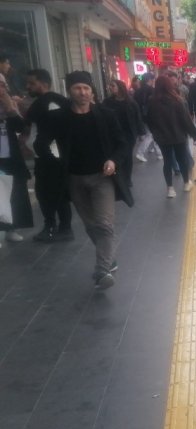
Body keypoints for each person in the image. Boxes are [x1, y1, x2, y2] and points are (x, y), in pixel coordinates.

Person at [35, 71, 133, 289]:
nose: (83, 92)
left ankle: (102, 270)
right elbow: (41, 144)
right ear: (69, 90)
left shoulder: (106, 115)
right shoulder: (58, 118)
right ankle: (108, 257)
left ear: (92, 91)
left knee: (105, 224)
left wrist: (113, 161)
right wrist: (56, 161)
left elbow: (122, 143)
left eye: (86, 88)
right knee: (91, 225)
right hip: (74, 180)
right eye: (78, 88)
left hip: (102, 178)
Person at [24, 68, 73, 242]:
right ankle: (63, 227)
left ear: (43, 84)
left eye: (32, 83)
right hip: (53, 156)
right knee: (57, 192)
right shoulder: (61, 102)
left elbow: (26, 126)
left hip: (48, 157)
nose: (28, 87)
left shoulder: (41, 104)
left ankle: (53, 226)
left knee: (46, 193)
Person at [145, 74, 196, 198]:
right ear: (170, 85)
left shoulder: (152, 101)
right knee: (182, 160)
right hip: (178, 136)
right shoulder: (178, 100)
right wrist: (194, 134)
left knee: (167, 162)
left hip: (162, 138)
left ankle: (170, 189)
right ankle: (186, 183)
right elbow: (186, 120)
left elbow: (149, 120)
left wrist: (155, 133)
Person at [0, 73, 34, 244]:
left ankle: (12, 228)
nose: (2, 89)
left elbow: (21, 128)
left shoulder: (9, 106)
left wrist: (11, 109)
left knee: (14, 192)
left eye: (3, 85)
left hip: (10, 157)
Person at [102, 79, 144, 189]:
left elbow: (137, 118)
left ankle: (127, 179)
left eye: (113, 85)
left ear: (120, 87)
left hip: (129, 134)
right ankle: (118, 178)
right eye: (110, 86)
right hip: (113, 134)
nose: (110, 88)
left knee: (127, 157)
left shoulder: (130, 102)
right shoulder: (107, 102)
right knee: (116, 156)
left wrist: (141, 132)